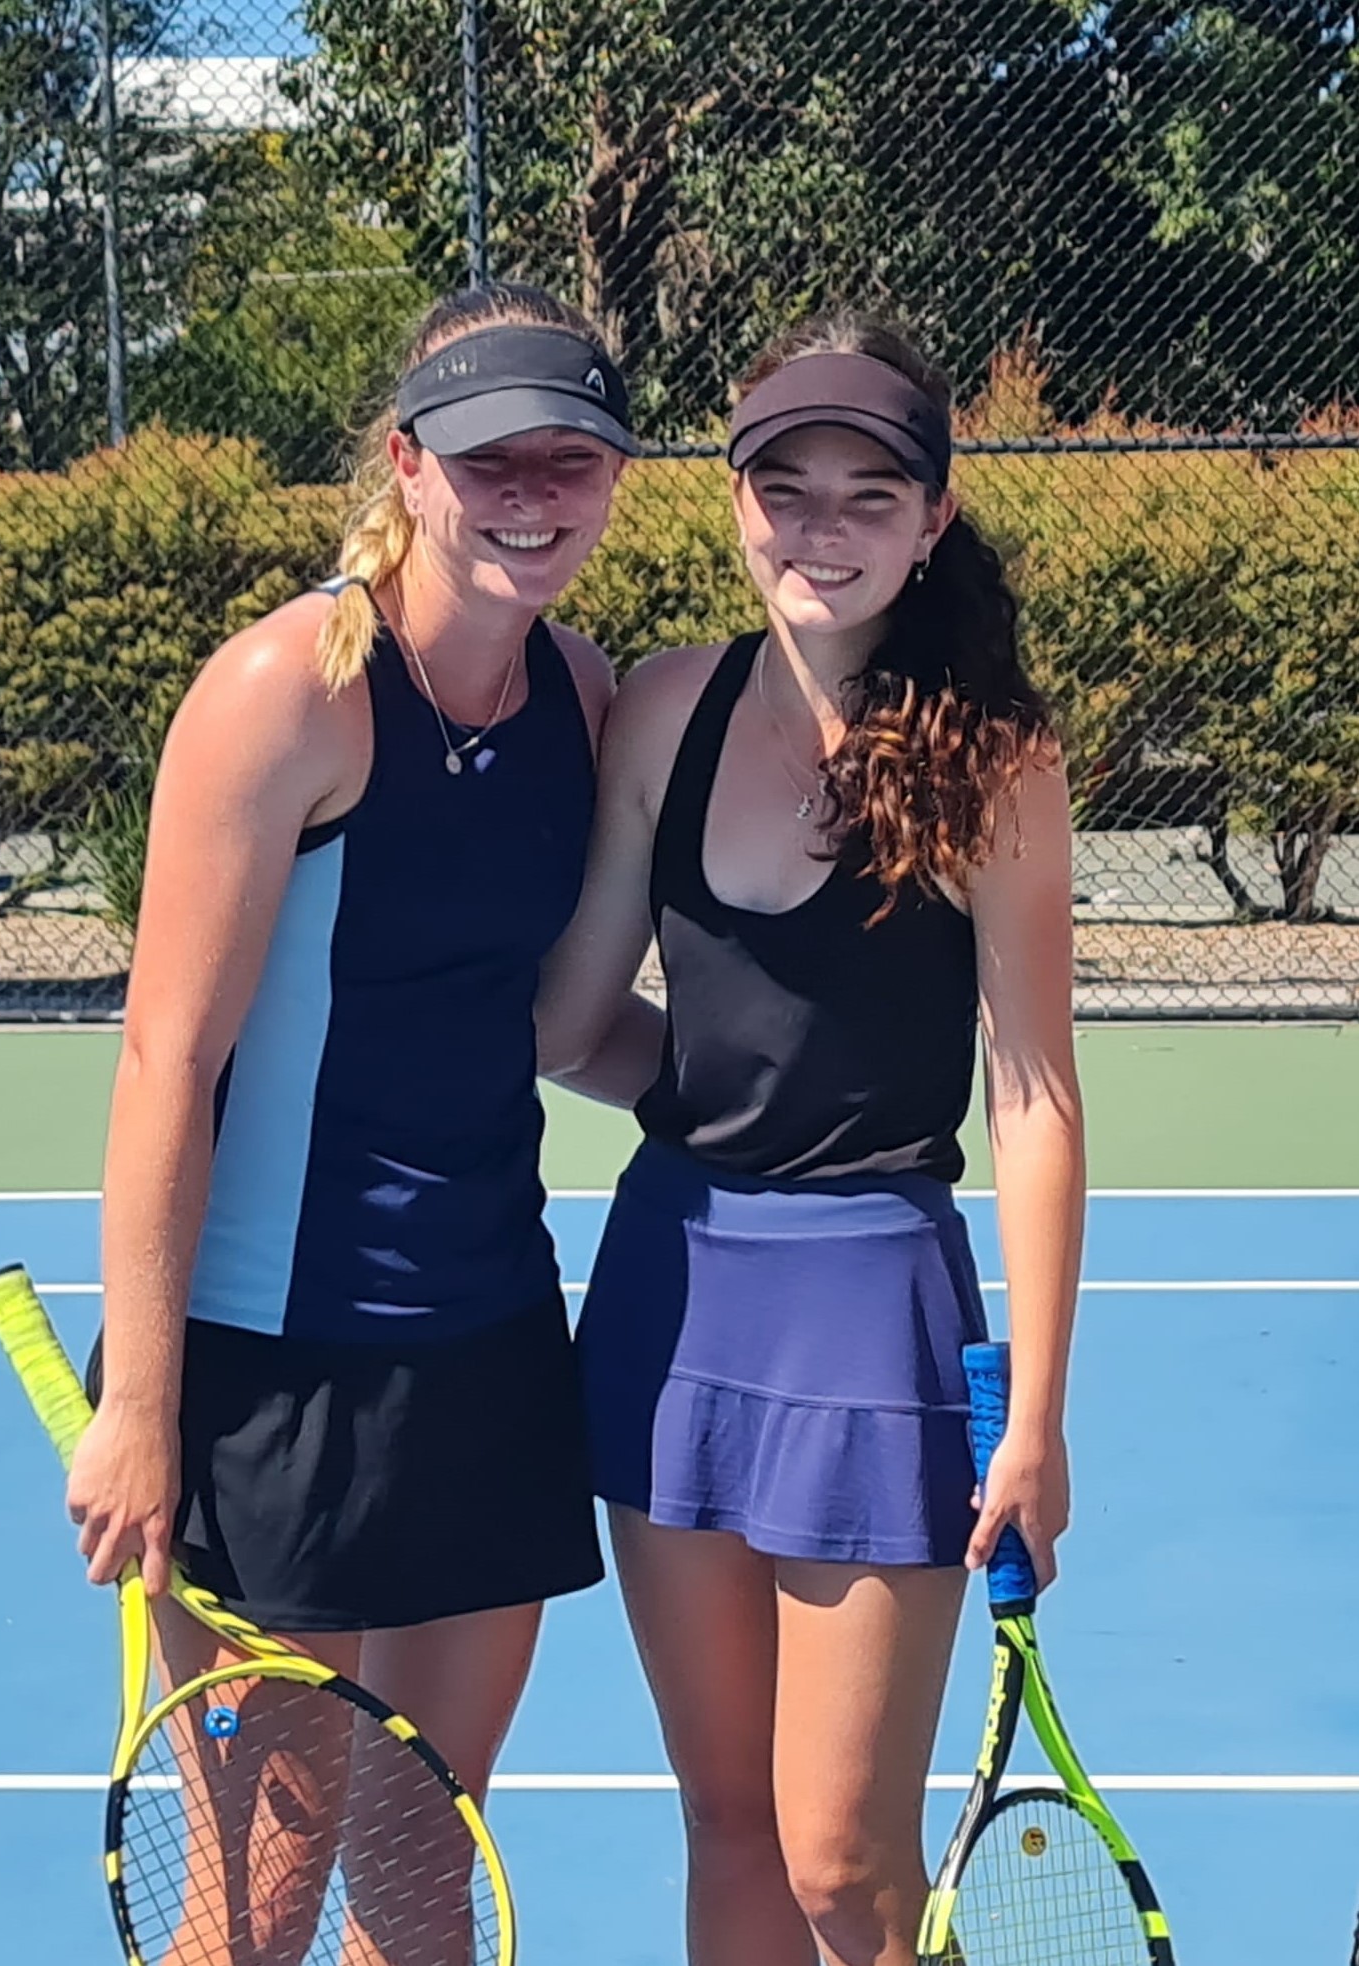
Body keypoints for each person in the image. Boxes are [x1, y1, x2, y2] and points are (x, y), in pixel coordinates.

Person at [65, 281, 639, 1959]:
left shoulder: (582, 697)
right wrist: (144, 1408)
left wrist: (804, 1110)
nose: (531, 495)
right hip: (268, 1374)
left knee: (417, 1876)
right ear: (404, 462)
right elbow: (166, 1058)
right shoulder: (283, 694)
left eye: (571, 461)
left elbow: (550, 1021)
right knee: (252, 1912)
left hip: (486, 1352)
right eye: (489, 461)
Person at [535, 311, 1084, 1966]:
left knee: (845, 1864)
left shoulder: (998, 760)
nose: (821, 529)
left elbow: (1034, 1095)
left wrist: (1038, 1416)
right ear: (733, 505)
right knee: (727, 1828)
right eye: (788, 488)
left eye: (868, 493)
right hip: (667, 1304)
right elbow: (570, 1022)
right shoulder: (660, 711)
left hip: (873, 1321)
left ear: (931, 521)